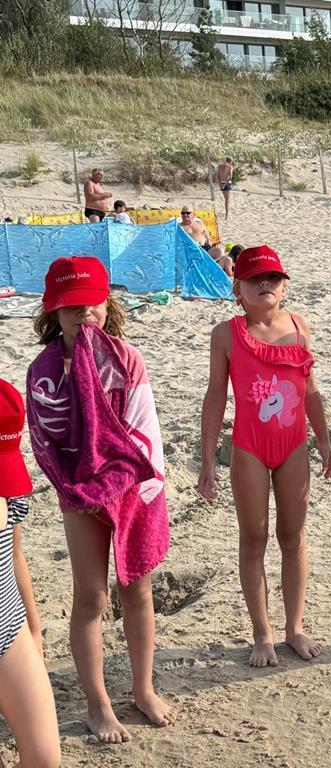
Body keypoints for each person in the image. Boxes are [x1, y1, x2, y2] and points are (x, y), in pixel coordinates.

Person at [26, 257, 175, 743]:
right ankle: (98, 704)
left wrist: (116, 485)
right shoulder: (44, 373)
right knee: (91, 597)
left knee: (138, 591)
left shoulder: (128, 360)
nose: (83, 313)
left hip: (134, 489)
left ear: (107, 305)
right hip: (79, 496)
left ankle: (143, 689)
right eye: (71, 306)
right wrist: (79, 491)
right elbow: (45, 442)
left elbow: (143, 432)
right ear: (53, 312)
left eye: (91, 303)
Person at [198, 245, 331, 668]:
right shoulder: (226, 334)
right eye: (254, 278)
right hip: (249, 448)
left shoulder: (300, 326)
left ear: (285, 286)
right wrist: (207, 459)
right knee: (254, 538)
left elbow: (311, 391)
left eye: (272, 277)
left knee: (292, 537)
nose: (264, 284)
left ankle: (294, 628)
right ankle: (262, 634)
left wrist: (325, 441)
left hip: (294, 446)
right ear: (237, 289)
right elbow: (215, 396)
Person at [0, 379, 61, 768]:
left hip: (9, 625)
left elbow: (15, 554)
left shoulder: (9, 487)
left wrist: (34, 629)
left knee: (43, 758)